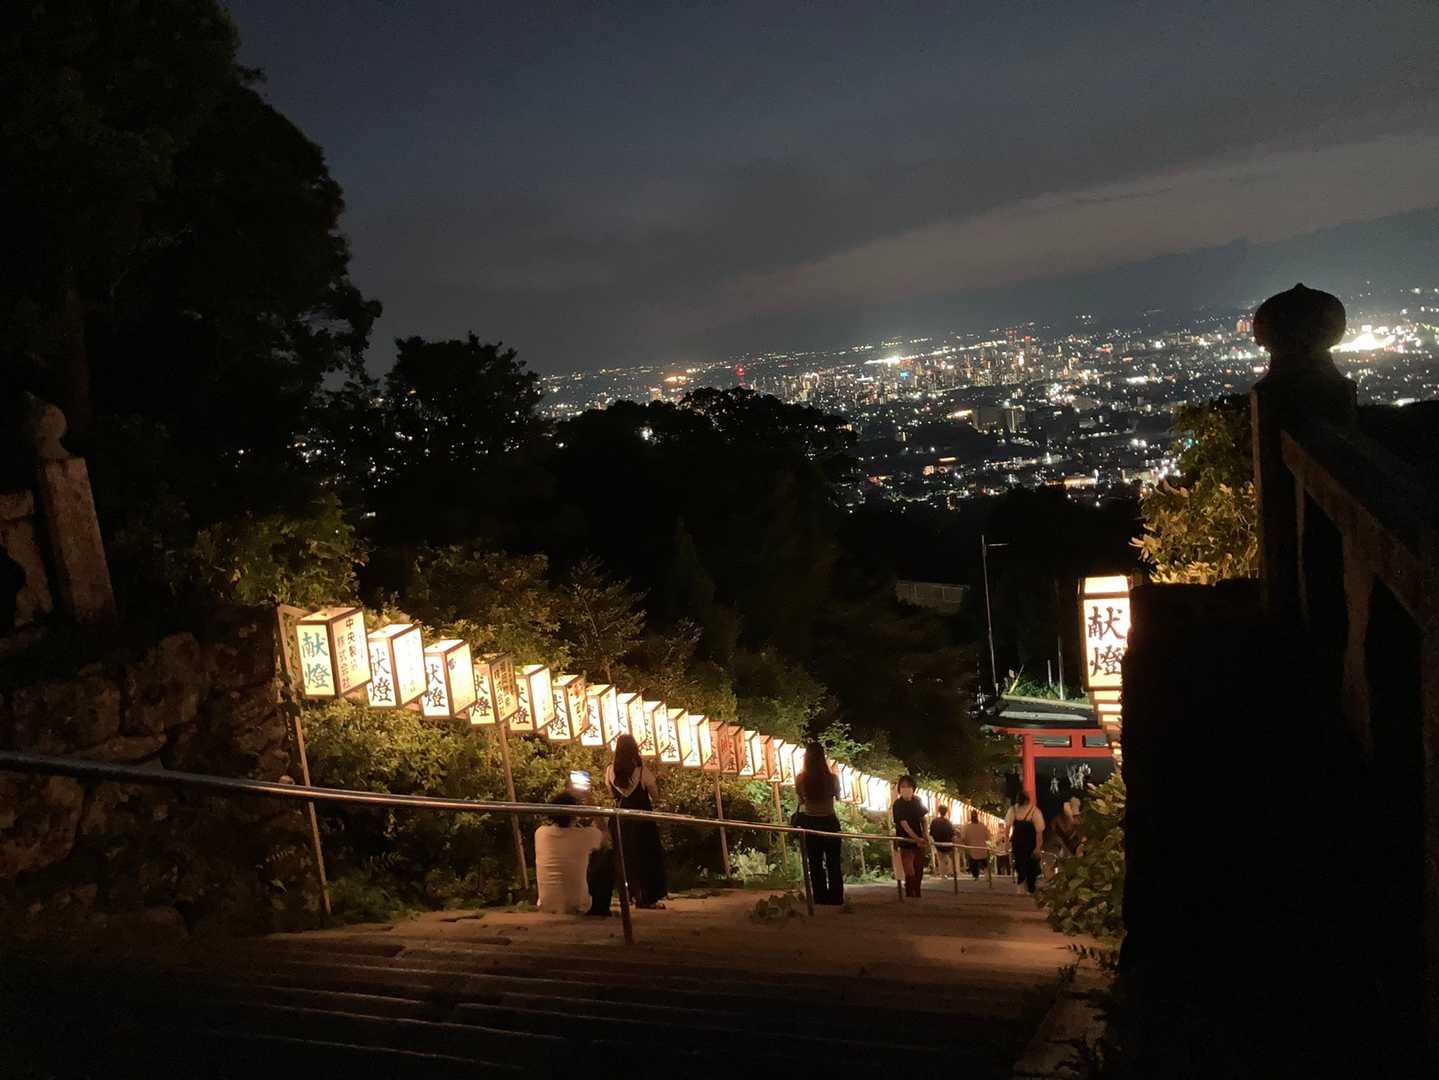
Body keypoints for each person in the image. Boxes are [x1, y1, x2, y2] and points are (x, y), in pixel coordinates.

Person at [605, 733, 668, 908]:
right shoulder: (642, 772)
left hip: (620, 820)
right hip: (642, 821)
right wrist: (657, 802)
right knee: (646, 858)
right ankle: (647, 897)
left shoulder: (609, 771)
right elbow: (655, 794)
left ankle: (629, 895)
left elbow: (611, 794)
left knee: (625, 859)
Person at [534, 793, 607, 914]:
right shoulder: (586, 835)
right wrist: (592, 804)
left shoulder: (540, 833)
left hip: (546, 905)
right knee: (606, 855)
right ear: (575, 814)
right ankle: (601, 909)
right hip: (578, 905)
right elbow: (605, 833)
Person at [794, 741, 844, 905]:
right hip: (830, 822)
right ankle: (836, 897)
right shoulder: (832, 778)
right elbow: (838, 797)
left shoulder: (801, 779)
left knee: (815, 863)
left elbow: (801, 800)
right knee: (833, 862)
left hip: (810, 822)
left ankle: (820, 896)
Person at [892, 775, 928, 898]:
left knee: (918, 868)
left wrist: (925, 834)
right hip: (905, 841)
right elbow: (904, 824)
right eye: (903, 786)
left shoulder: (917, 801)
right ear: (899, 789)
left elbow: (923, 819)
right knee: (909, 869)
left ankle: (916, 891)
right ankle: (909, 890)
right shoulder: (897, 804)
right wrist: (916, 838)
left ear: (913, 788)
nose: (905, 789)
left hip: (919, 841)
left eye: (908, 786)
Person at [1006, 791, 1045, 895]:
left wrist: (1007, 843)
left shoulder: (1013, 810)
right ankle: (1029, 888)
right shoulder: (1034, 811)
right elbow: (1039, 831)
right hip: (1029, 842)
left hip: (1018, 842)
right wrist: (1038, 847)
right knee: (1029, 865)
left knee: (1020, 865)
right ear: (1028, 800)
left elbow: (1007, 828)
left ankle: (1022, 886)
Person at [960, 810, 992, 880]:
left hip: (973, 849)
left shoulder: (966, 827)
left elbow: (963, 838)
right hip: (982, 848)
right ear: (977, 816)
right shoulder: (982, 826)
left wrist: (966, 843)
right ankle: (987, 876)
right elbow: (988, 837)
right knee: (985, 863)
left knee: (973, 862)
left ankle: (976, 876)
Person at [929, 805, 956, 878]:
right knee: (947, 859)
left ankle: (943, 874)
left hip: (938, 843)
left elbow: (931, 833)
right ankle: (947, 872)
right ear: (946, 812)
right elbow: (952, 834)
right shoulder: (948, 822)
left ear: (939, 811)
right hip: (948, 844)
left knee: (941, 859)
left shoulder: (934, 821)